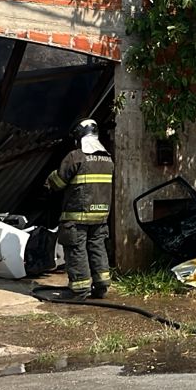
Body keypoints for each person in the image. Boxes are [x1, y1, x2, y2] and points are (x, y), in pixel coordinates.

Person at [46, 118, 114, 299]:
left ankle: (80, 290)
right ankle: (101, 287)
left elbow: (59, 182)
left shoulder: (75, 157)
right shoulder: (107, 159)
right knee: (97, 248)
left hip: (77, 216)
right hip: (100, 216)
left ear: (79, 137)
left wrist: (50, 178)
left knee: (76, 250)